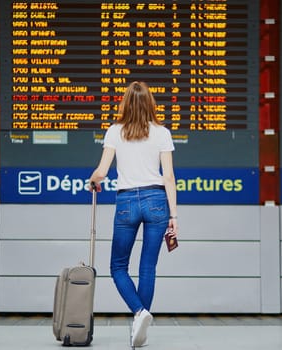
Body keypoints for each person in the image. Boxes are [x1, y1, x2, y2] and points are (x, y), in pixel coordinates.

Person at [89, 81, 178, 347]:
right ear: (150, 103)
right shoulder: (162, 132)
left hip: (127, 201)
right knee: (147, 267)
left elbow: (102, 171)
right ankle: (141, 325)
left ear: (125, 103)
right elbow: (169, 177)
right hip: (157, 200)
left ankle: (140, 313)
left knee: (117, 266)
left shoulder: (115, 131)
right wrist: (174, 216)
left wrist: (93, 179)